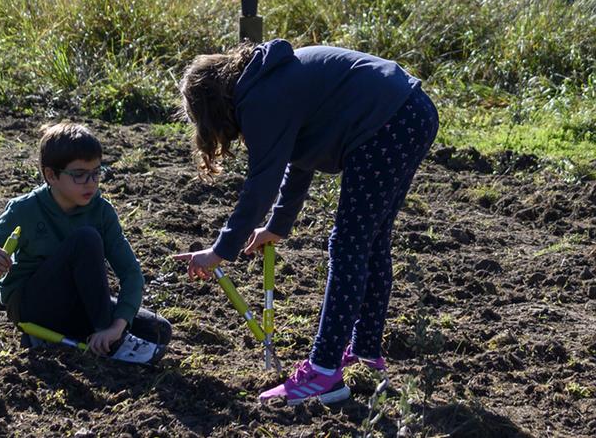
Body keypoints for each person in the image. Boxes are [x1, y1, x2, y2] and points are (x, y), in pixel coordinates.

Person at [171, 38, 439, 405]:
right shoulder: (269, 81)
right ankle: (364, 354)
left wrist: (221, 250)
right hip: (410, 111)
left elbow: (260, 184)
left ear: (212, 105)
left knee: (348, 244)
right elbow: (299, 160)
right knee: (371, 242)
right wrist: (278, 226)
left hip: (388, 120)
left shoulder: (262, 98)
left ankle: (324, 371)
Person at [0, 122, 169, 363]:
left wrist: (118, 327)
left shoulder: (102, 211)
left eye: (96, 172)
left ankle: (83, 338)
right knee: (86, 239)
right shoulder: (24, 209)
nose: (90, 182)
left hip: (78, 302)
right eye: (79, 175)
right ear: (51, 175)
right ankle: (100, 338)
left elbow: (131, 273)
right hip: (31, 305)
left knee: (158, 330)